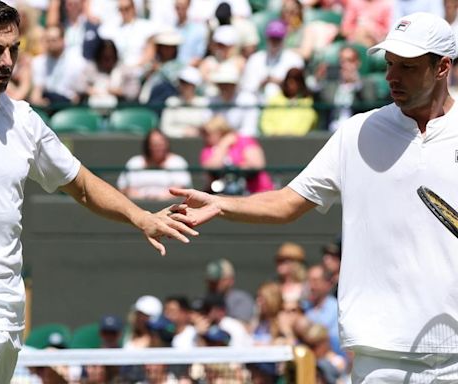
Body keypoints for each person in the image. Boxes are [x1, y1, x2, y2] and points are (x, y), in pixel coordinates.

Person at [169, 11, 458, 382]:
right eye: (388, 64)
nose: (391, 77)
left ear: (442, 68)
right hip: (380, 353)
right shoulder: (356, 133)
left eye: (407, 67)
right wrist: (223, 204)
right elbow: (288, 202)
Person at [0, 1, 198, 382]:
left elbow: (80, 184)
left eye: (13, 49)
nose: (6, 63)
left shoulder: (25, 121)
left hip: (9, 322)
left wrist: (140, 216)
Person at [199, 115, 274, 195]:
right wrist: (223, 145)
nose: (205, 137)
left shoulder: (244, 140)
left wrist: (234, 169)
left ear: (220, 131)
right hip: (223, 195)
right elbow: (211, 167)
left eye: (208, 134)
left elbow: (256, 164)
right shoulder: (207, 149)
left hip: (257, 192)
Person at [117, 129, 193, 201]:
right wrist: (143, 199)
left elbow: (182, 189)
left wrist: (159, 199)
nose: (158, 147)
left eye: (161, 144)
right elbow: (123, 188)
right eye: (154, 144)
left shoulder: (177, 162)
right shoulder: (134, 162)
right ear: (148, 146)